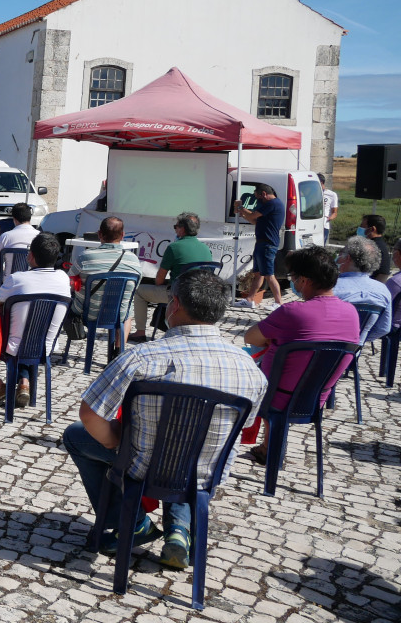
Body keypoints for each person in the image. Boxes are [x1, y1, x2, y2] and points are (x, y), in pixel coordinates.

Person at [63, 269, 266, 569]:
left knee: (76, 436)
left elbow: (91, 413)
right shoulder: (250, 370)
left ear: (174, 305)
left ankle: (130, 523)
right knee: (188, 446)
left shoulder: (141, 358)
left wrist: (115, 441)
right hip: (205, 470)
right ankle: (179, 531)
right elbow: (245, 427)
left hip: (143, 466)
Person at [242, 246, 359, 464]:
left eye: (293, 277)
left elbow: (250, 337)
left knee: (246, 360)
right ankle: (268, 447)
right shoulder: (351, 313)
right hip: (315, 399)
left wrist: (273, 338)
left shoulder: (292, 312)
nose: (293, 283)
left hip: (275, 398)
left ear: (304, 280)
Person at [0, 233, 70, 408]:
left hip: (14, 344)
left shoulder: (17, 278)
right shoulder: (64, 279)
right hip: (45, 346)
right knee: (28, 334)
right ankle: (24, 383)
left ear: (31, 256)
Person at [130, 212, 212, 343]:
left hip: (178, 295)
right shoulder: (205, 249)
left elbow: (159, 279)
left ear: (182, 229)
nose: (175, 229)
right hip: (200, 295)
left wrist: (161, 285)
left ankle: (140, 332)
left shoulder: (174, 247)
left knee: (139, 291)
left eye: (176, 226)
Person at [69, 216, 142, 332]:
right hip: (118, 314)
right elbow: (135, 288)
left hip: (87, 313)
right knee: (128, 309)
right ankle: (119, 348)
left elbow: (70, 280)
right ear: (122, 235)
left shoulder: (85, 257)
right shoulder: (133, 260)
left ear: (99, 234)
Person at [332, 236, 393, 342]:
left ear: (348, 258)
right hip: (352, 352)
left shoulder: (330, 287)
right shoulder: (383, 290)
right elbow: (383, 328)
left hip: (321, 350)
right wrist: (360, 339)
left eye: (341, 253)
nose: (338, 257)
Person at [233, 183, 283, 307]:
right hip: (262, 243)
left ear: (264, 194)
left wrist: (240, 208)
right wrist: (243, 213)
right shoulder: (270, 206)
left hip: (268, 244)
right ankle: (250, 299)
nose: (257, 200)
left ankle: (278, 302)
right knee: (258, 274)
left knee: (269, 275)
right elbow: (254, 220)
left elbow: (252, 215)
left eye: (257, 197)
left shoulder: (272, 204)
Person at [0, 202, 37, 291]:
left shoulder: (6, 236)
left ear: (14, 219)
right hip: (32, 280)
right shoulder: (38, 236)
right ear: (30, 218)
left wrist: (1, 272)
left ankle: (1, 301)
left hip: (8, 280)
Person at [358, 214, 391, 282]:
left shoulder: (370, 248)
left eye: (362, 226)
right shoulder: (382, 245)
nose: (359, 228)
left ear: (372, 229)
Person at [319, 173, 337, 245]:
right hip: (312, 223)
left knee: (321, 246)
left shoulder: (332, 195)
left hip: (324, 225)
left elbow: (334, 212)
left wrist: (329, 218)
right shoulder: (311, 193)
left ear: (321, 182)